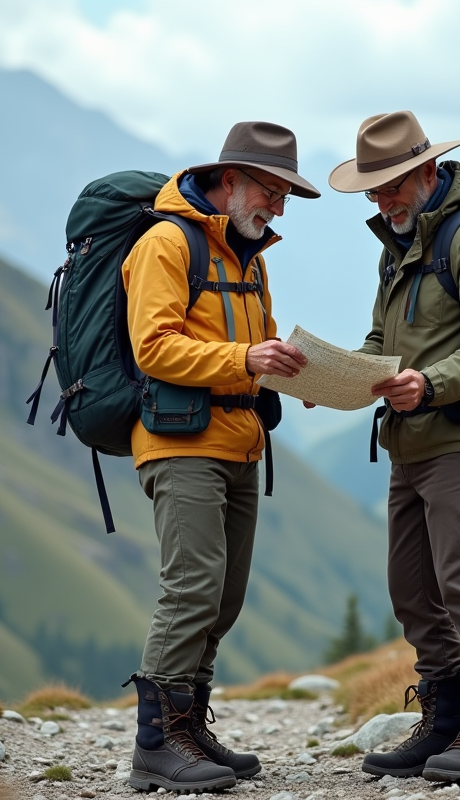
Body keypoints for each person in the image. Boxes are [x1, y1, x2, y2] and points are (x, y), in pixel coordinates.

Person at [327, 110, 460, 782]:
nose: (382, 204)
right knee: (412, 589)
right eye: (373, 193)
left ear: (424, 171)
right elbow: (383, 347)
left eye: (389, 188)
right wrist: (332, 378)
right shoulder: (400, 247)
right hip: (411, 445)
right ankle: (444, 720)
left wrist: (431, 382)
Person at [121, 121, 318, 793]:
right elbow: (154, 347)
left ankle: (190, 727)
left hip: (240, 443)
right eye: (272, 190)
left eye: (287, 195)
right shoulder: (165, 245)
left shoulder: (249, 255)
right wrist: (245, 359)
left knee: (224, 597)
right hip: (181, 444)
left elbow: (261, 346)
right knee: (192, 587)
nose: (279, 208)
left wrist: (303, 378)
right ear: (230, 180)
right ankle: (156, 744)